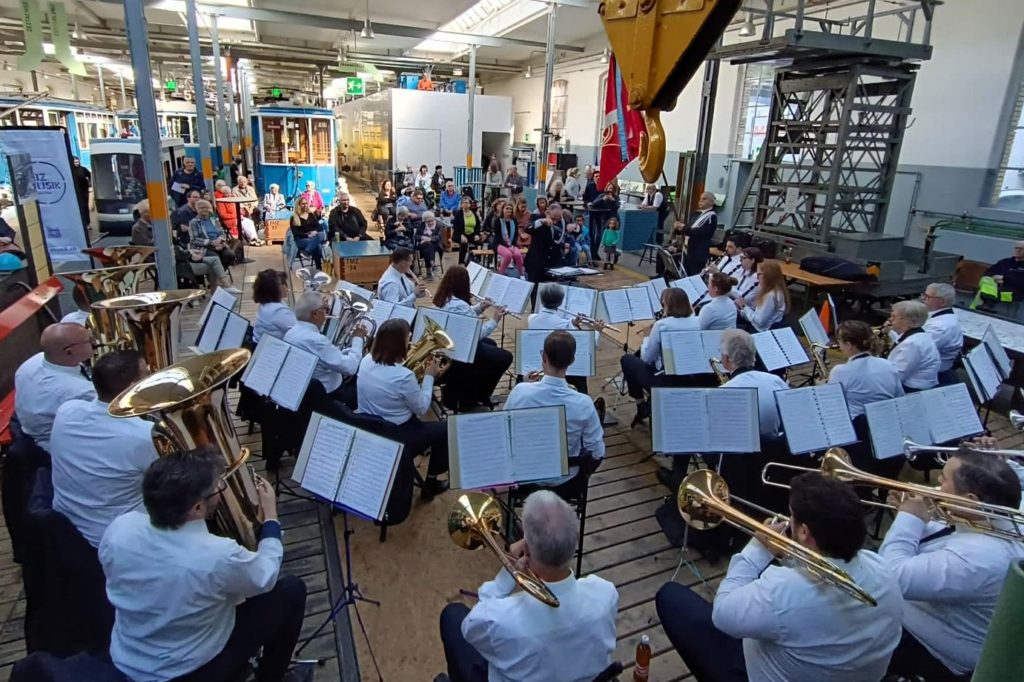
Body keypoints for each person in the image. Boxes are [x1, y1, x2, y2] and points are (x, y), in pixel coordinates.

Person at [656, 472, 904, 682]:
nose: (788, 521)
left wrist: (756, 550)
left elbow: (722, 614)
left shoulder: (782, 590)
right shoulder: (882, 568)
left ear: (804, 532)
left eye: (792, 517)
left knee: (670, 597)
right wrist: (789, 554)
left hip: (756, 671)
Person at [99, 448, 307, 682]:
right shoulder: (217, 556)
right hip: (190, 670)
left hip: (131, 658)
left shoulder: (119, 528)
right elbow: (265, 575)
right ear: (197, 508)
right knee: (292, 591)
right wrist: (270, 517)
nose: (219, 491)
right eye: (216, 489)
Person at [439, 490, 618, 682]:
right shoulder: (605, 593)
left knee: (452, 615)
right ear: (576, 536)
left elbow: (472, 626)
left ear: (527, 549)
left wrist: (505, 577)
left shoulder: (498, 619)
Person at [882, 448, 1024, 681]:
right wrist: (918, 519)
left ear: (970, 500)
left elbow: (890, 577)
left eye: (944, 480)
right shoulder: (997, 519)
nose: (936, 484)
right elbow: (950, 540)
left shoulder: (978, 558)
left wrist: (908, 520)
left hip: (933, 652)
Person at [50, 350, 155, 548]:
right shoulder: (144, 436)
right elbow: (173, 486)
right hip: (117, 539)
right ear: (134, 387)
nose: (153, 378)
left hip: (68, 523)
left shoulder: (67, 410)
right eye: (147, 374)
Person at [357, 319, 449, 499]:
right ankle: (431, 483)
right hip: (397, 433)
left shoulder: (366, 360)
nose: (411, 342)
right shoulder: (404, 376)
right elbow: (422, 408)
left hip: (368, 425)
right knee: (445, 429)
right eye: (408, 338)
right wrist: (429, 377)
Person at [432, 266, 513, 411]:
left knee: (491, 343)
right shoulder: (460, 305)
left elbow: (464, 315)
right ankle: (481, 395)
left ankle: (474, 388)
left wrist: (481, 306)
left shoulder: (444, 298)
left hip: (451, 345)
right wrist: (495, 319)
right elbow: (477, 334)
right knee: (505, 357)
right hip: (459, 350)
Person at [621, 288, 701, 423]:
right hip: (691, 376)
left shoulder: (662, 325)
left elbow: (647, 358)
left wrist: (647, 337)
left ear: (668, 306)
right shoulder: (698, 322)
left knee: (627, 360)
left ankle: (641, 404)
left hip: (665, 378)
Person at [14, 323, 97, 451]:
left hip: (24, 426)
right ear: (69, 351)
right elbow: (99, 422)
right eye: (88, 341)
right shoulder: (80, 391)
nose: (94, 342)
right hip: (53, 445)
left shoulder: (33, 361)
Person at [284, 292, 365, 405]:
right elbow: (350, 368)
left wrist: (345, 352)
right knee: (366, 387)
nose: (327, 313)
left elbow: (324, 357)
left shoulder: (290, 332)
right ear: (315, 314)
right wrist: (358, 339)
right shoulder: (316, 340)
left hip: (307, 389)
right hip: (330, 395)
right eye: (325, 309)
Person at [527, 283, 599, 394]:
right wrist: (597, 330)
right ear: (560, 302)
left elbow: (552, 322)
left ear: (541, 300)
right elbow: (591, 345)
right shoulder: (565, 326)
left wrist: (572, 322)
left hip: (537, 362)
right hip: (559, 367)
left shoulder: (531, 318)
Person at [720, 329, 788, 440]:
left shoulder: (721, 393)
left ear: (726, 359)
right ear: (753, 357)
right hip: (779, 445)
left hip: (744, 448)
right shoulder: (775, 380)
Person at [829, 320, 904, 419]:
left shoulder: (839, 371)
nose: (839, 345)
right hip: (887, 419)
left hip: (857, 424)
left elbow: (832, 404)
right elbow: (899, 396)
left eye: (839, 341)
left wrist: (822, 387)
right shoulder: (889, 365)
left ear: (848, 345)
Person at [887, 299, 941, 392]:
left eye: (894, 316)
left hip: (912, 389)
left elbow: (897, 376)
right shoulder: (918, 335)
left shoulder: (912, 344)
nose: (890, 319)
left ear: (912, 322)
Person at [921, 282, 964, 384]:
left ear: (942, 302)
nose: (923, 299)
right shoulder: (942, 317)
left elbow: (918, 350)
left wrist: (893, 332)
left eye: (927, 297)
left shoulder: (940, 327)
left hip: (931, 376)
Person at [190, 200, 242, 275]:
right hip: (204, 247)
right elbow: (194, 239)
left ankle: (219, 275)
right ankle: (218, 277)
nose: (204, 209)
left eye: (206, 208)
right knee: (216, 258)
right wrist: (211, 242)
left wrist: (220, 240)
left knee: (230, 255)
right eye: (201, 208)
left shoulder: (214, 219)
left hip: (219, 244)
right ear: (196, 209)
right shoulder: (194, 222)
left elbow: (222, 233)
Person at [736, 260, 789, 332]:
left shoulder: (770, 295)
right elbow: (758, 314)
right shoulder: (776, 290)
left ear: (768, 275)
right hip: (760, 326)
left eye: (759, 274)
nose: (757, 278)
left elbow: (759, 322)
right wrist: (741, 312)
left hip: (760, 331)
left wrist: (743, 306)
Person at [676, 191, 718, 277]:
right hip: (687, 249)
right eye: (700, 198)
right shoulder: (696, 214)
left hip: (698, 252)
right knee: (685, 274)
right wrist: (678, 228)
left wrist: (683, 227)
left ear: (711, 202)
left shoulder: (711, 216)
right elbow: (688, 228)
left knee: (693, 275)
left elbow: (700, 232)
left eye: (704, 199)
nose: (700, 201)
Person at [252, 269, 296, 343]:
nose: (286, 286)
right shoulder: (277, 310)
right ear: (274, 288)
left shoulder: (267, 304)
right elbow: (299, 330)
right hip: (269, 348)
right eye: (283, 283)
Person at [290, 196, 325, 271]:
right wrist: (307, 234)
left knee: (321, 234)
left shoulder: (311, 215)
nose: (305, 205)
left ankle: (306, 252)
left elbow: (319, 227)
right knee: (317, 245)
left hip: (314, 237)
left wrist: (315, 232)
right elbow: (295, 233)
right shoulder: (294, 218)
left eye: (306, 203)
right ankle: (319, 267)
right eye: (303, 204)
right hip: (301, 239)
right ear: (298, 205)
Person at [588, 185, 620, 261]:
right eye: (609, 188)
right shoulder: (602, 195)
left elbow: (617, 207)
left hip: (612, 219)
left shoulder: (616, 197)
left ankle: (612, 255)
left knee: (610, 237)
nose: (610, 190)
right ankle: (594, 253)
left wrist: (613, 200)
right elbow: (594, 203)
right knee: (600, 236)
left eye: (612, 189)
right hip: (603, 219)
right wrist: (602, 199)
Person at [493, 201, 525, 277]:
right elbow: (498, 237)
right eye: (507, 208)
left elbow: (515, 235)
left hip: (512, 244)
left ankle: (521, 274)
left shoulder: (514, 221)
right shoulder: (498, 221)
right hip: (499, 244)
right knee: (508, 255)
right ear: (503, 209)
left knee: (517, 255)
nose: (509, 210)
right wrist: (508, 246)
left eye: (510, 209)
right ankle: (500, 274)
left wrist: (512, 245)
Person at [452, 196, 486, 265]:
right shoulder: (459, 214)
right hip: (459, 234)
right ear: (461, 205)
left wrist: (477, 234)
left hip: (471, 234)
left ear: (470, 204)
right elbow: (455, 227)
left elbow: (478, 225)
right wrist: (461, 235)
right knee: (464, 243)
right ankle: (461, 262)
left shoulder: (474, 214)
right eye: (463, 203)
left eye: (467, 203)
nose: (465, 204)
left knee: (479, 243)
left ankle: (477, 260)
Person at [416, 211, 444, 280]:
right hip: (423, 244)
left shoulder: (438, 225)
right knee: (428, 246)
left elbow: (439, 237)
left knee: (428, 247)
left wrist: (430, 239)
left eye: (432, 221)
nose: (430, 223)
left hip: (435, 244)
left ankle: (429, 271)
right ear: (425, 221)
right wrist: (423, 237)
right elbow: (416, 236)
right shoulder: (421, 225)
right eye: (428, 221)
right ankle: (432, 263)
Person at [71, 156, 92, 228]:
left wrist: (89, 183)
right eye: (75, 162)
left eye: (77, 162)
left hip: (84, 192)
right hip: (75, 192)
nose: (76, 163)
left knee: (85, 207)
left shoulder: (83, 169)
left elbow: (90, 175)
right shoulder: (71, 170)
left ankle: (87, 223)